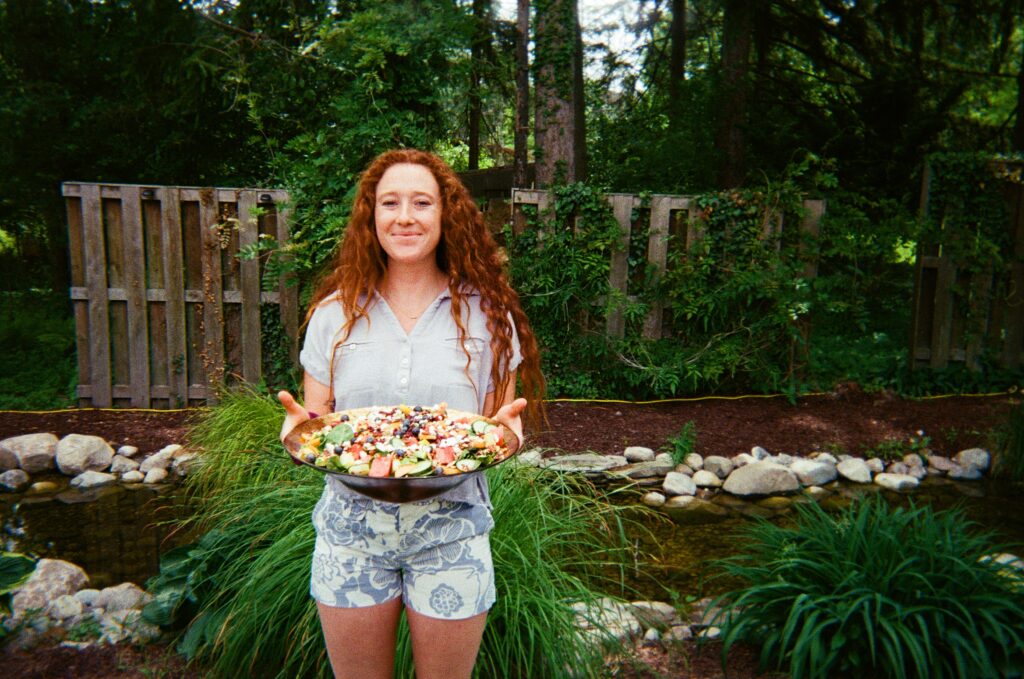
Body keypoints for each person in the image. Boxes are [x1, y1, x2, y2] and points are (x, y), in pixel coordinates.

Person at [277, 148, 544, 679]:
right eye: (389, 203)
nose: (404, 216)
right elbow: (318, 418)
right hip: (350, 531)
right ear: (370, 216)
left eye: (421, 202)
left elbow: (496, 424)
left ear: (445, 216)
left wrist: (510, 434)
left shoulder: (490, 316)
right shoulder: (333, 315)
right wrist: (299, 431)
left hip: (454, 530)